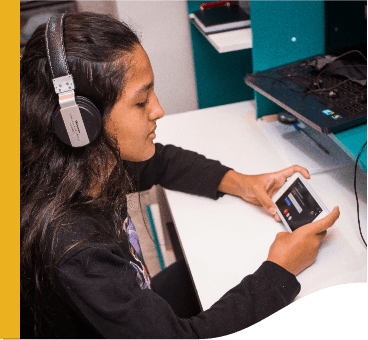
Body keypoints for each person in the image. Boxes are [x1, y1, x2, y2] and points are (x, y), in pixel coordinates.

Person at [20, 12, 340, 339]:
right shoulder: (77, 248)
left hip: (126, 292)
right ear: (81, 123)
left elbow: (161, 162)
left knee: (202, 272)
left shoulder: (87, 166)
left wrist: (241, 183)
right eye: (141, 100)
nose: (158, 109)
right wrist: (281, 270)